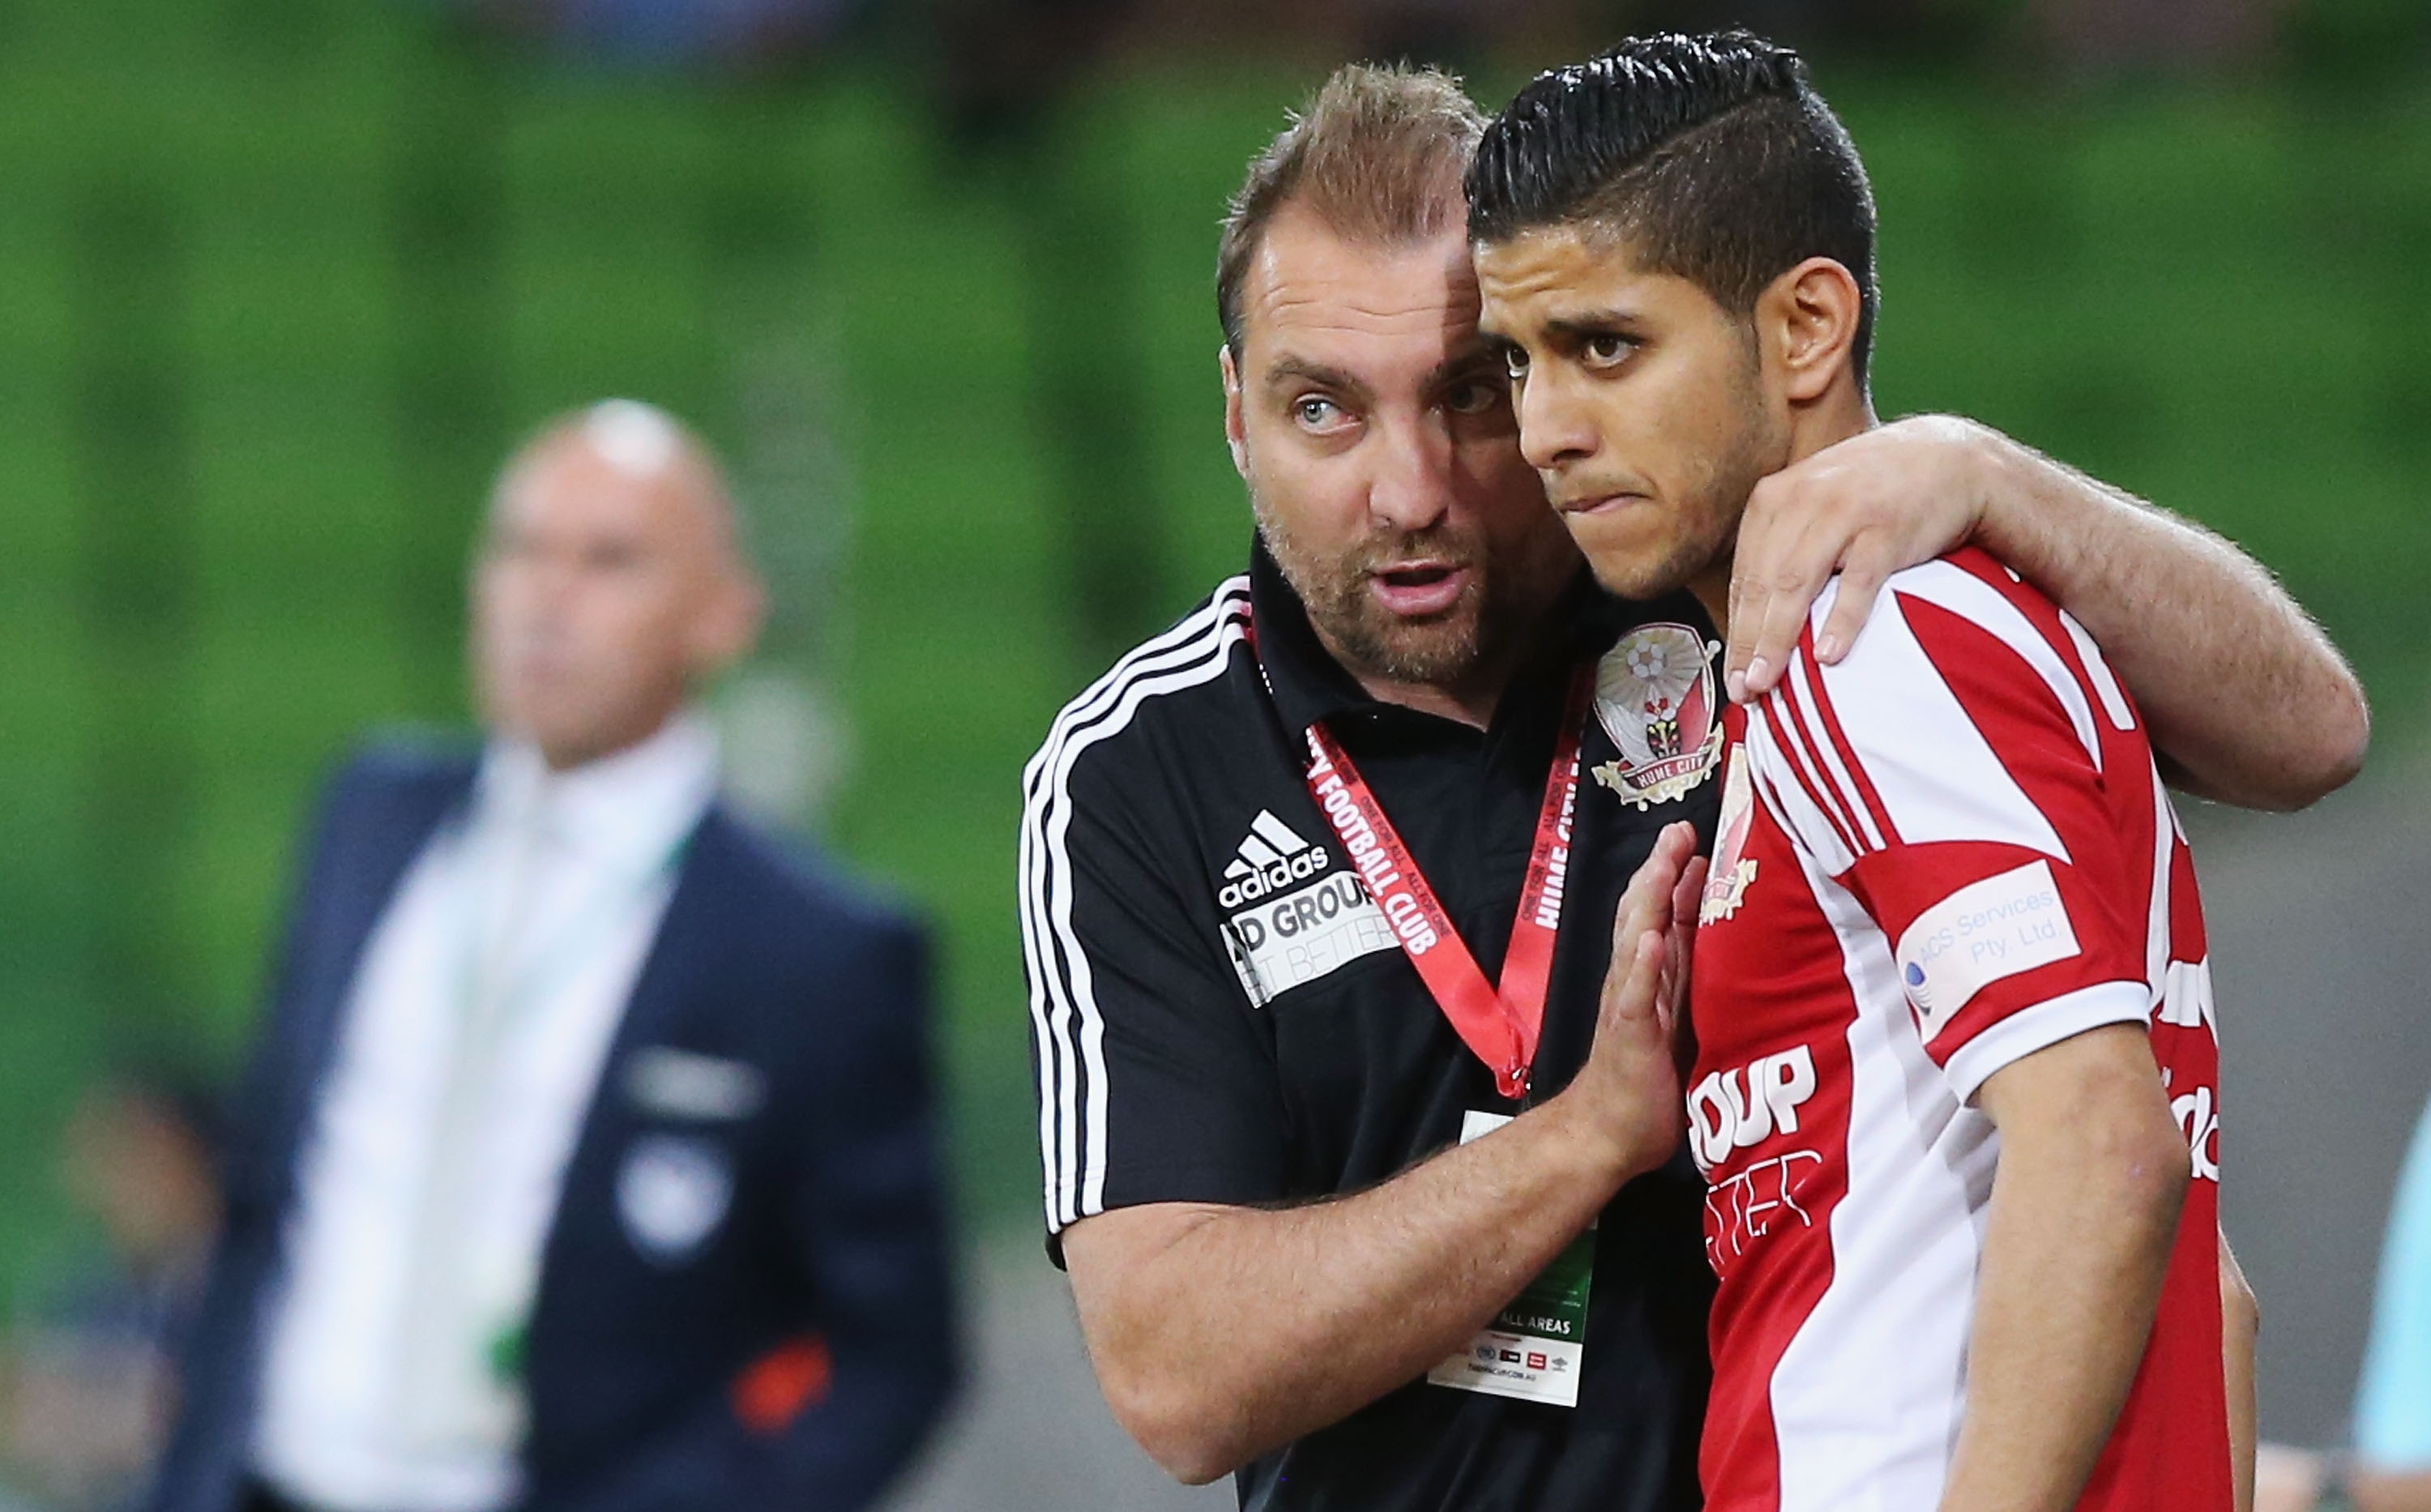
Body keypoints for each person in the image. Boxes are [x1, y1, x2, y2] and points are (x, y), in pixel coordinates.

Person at [1025, 62, 2361, 1512]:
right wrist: (1588, 1138)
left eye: (1477, 388)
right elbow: (1176, 1381)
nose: (1415, 486)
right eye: (1324, 410)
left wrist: (1989, 474)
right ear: (1234, 411)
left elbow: (2309, 737)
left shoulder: (1770, 604)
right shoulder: (1139, 772)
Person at [1469, 29, 2292, 1510]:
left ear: (1803, 328)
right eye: (1516, 364)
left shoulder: (1865, 639)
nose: (1542, 430)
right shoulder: (1961, 627)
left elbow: (2105, 1145)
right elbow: (2207, 1295)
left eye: (1606, 348)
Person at [149, 401, 955, 1512]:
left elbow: (894, 1353)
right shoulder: (369, 818)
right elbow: (262, 1204)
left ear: (722, 615)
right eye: (520, 548)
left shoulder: (811, 949)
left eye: (609, 559)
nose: (546, 596)